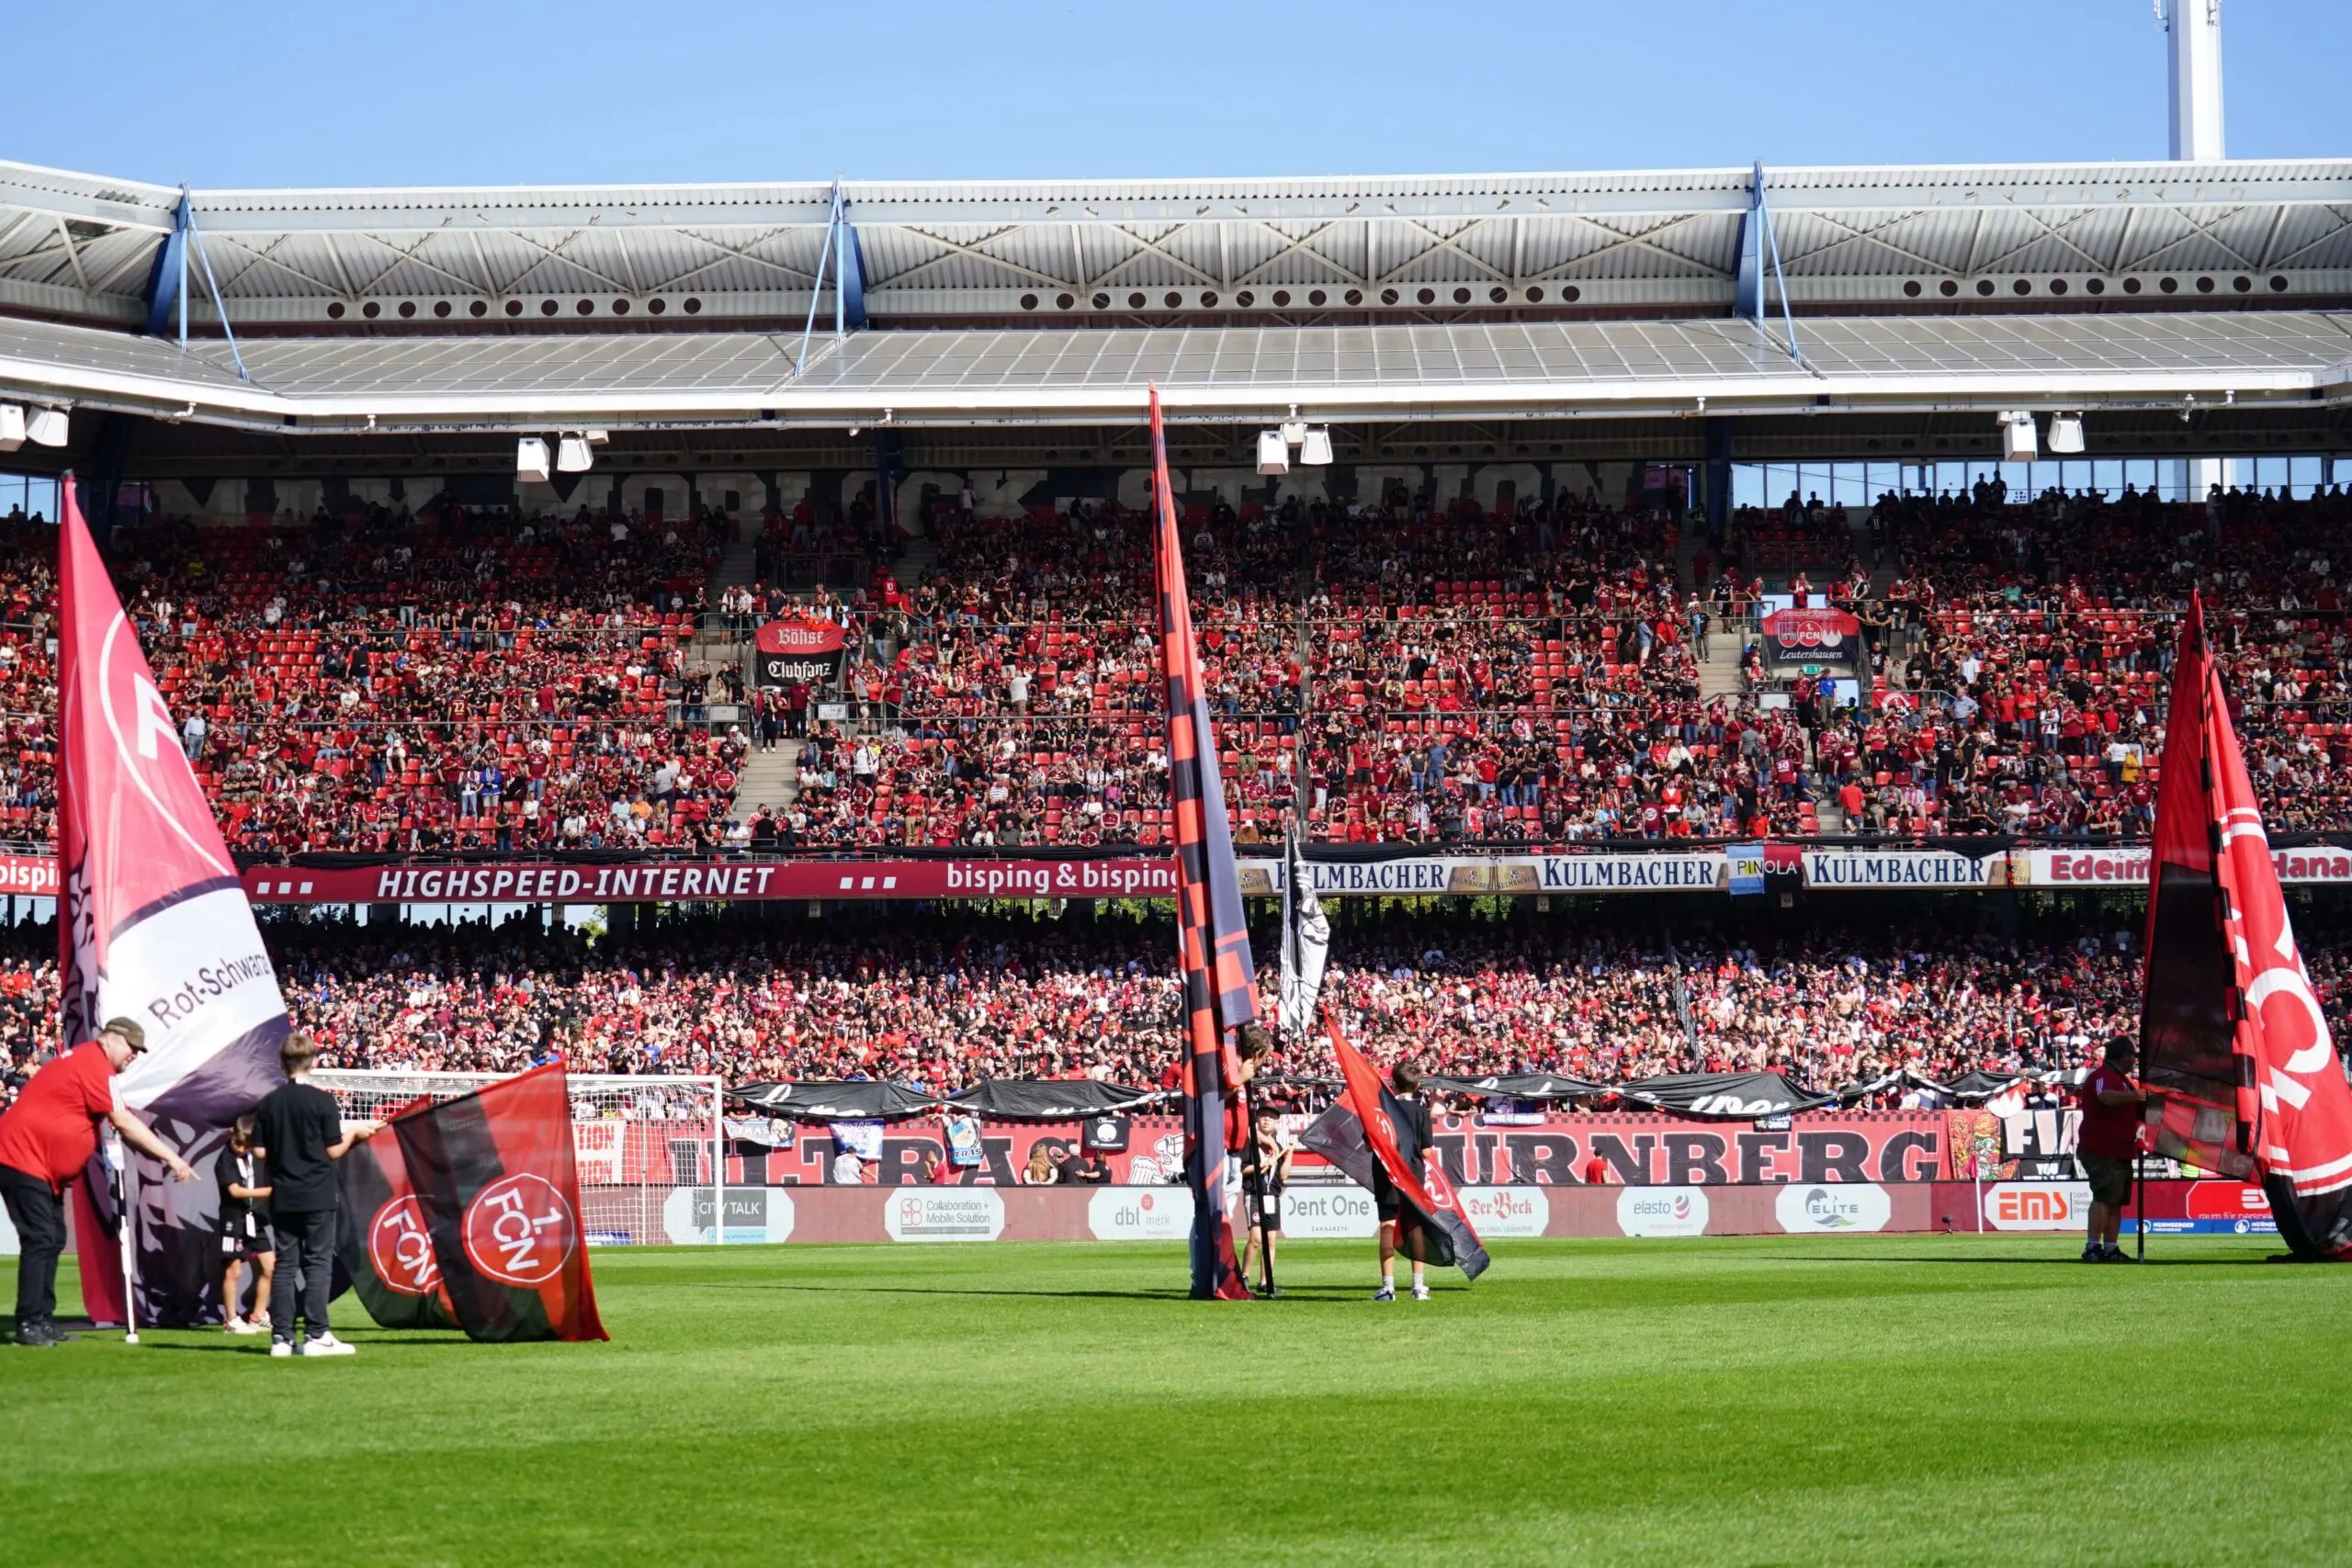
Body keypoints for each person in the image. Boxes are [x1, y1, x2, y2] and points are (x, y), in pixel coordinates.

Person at [0, 1019, 196, 1348]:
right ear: (112, 1041)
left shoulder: (87, 1062)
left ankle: (42, 1320)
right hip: (22, 1158)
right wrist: (172, 1157)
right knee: (42, 1238)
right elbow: (123, 1121)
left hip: (39, 1166)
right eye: (132, 1048)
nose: (134, 1055)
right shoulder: (94, 1065)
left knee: (52, 1237)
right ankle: (30, 1322)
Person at [253, 1033, 382, 1357]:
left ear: (281, 1063)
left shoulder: (269, 1103)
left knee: (285, 1265)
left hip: (283, 1193)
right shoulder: (322, 1101)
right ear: (314, 1061)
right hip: (317, 1194)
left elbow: (258, 1151)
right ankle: (316, 1334)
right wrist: (353, 1134)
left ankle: (282, 1338)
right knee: (318, 1262)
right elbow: (333, 1151)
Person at [2075, 1035, 2145, 1263]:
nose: (2135, 1060)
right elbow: (2104, 1097)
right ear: (2125, 1056)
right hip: (2102, 1147)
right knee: (2104, 1197)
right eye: (2133, 1056)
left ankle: (2111, 1248)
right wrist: (2134, 1096)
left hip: (2119, 1147)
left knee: (2115, 1200)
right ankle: (2093, 1246)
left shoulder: (2121, 1079)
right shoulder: (2103, 1076)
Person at [1373, 1058, 1434, 1303]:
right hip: (1412, 1177)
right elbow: (1427, 1151)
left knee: (1387, 1228)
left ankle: (1388, 1288)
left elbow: (1369, 1144)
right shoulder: (1421, 1111)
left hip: (1387, 1174)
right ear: (1417, 1085)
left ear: (1392, 1084)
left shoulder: (1381, 1110)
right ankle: (1418, 1287)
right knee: (1415, 1228)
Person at [215, 1114, 275, 1335]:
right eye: (238, 1143)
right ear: (231, 1134)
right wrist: (269, 1192)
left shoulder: (256, 1156)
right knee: (234, 1270)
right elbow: (235, 1191)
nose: (241, 1149)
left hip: (255, 1219)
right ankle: (231, 1320)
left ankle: (258, 1316)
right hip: (233, 1219)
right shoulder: (225, 1159)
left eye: (247, 1145)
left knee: (270, 1267)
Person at [1238, 1111, 1293, 1297]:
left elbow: (1283, 1175)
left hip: (1272, 1197)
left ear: (1277, 1124)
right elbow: (1243, 1170)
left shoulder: (1278, 1146)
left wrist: (1290, 1153)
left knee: (1270, 1241)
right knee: (1255, 1238)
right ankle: (1243, 1277)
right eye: (1262, 1117)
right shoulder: (1250, 1144)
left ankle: (1265, 1281)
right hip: (1255, 1195)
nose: (1266, 1119)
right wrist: (1263, 1164)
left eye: (1270, 1117)